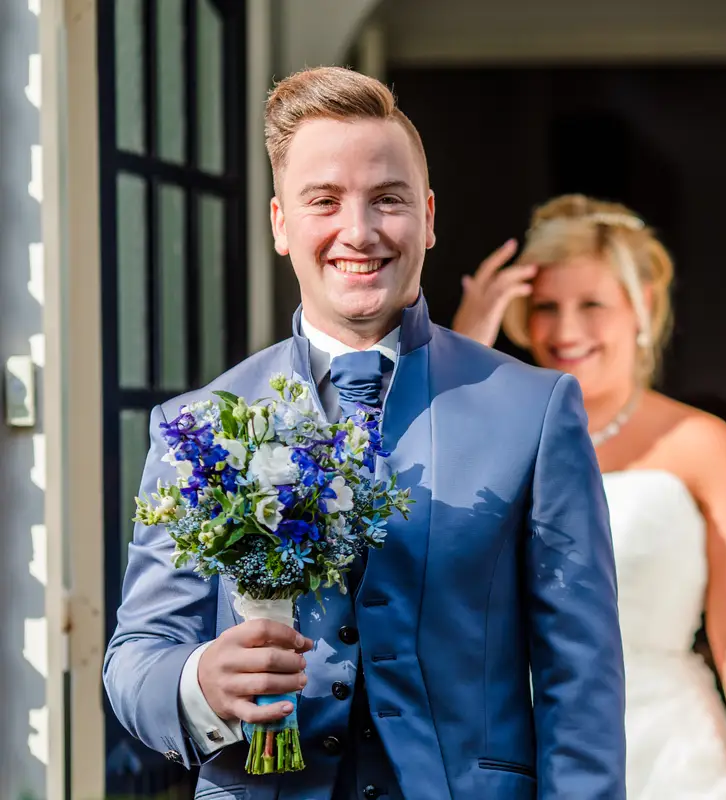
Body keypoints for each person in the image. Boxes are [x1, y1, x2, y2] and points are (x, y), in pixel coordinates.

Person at [103, 67, 626, 800]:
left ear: (430, 216)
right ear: (282, 224)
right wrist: (197, 682)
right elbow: (135, 658)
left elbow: (583, 679)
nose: (360, 231)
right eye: (325, 202)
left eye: (388, 200)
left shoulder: (534, 410)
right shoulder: (197, 426)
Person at [452, 194, 726, 799]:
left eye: (592, 305)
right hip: (523, 762)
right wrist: (461, 355)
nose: (566, 330)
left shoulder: (701, 445)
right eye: (546, 307)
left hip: (672, 763)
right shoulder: (489, 436)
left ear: (642, 310)